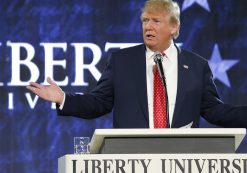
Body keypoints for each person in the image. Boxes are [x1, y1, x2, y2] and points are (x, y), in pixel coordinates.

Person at [27, 0, 247, 128]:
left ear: (174, 27)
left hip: (182, 159)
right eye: (144, 20)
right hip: (132, 159)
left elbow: (215, 110)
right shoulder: (122, 61)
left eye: (156, 21)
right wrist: (63, 98)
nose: (148, 27)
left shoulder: (197, 66)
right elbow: (99, 103)